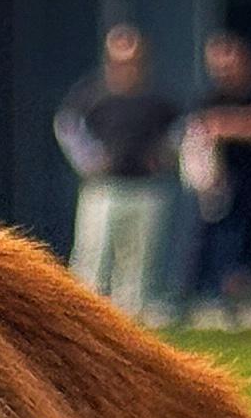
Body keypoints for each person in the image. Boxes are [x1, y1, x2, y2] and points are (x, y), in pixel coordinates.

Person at [50, 21, 179, 320]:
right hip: (103, 191)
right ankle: (85, 321)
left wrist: (165, 157)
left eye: (134, 60)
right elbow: (67, 126)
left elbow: (178, 132)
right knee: (92, 259)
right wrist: (90, 160)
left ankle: (131, 324)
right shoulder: (91, 95)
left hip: (146, 190)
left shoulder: (158, 100)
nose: (127, 67)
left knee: (139, 265)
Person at [177, 28, 251, 323]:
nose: (223, 72)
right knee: (209, 250)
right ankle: (199, 306)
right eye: (217, 66)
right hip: (219, 193)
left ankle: (244, 308)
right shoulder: (207, 99)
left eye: (228, 63)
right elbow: (196, 135)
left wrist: (226, 126)